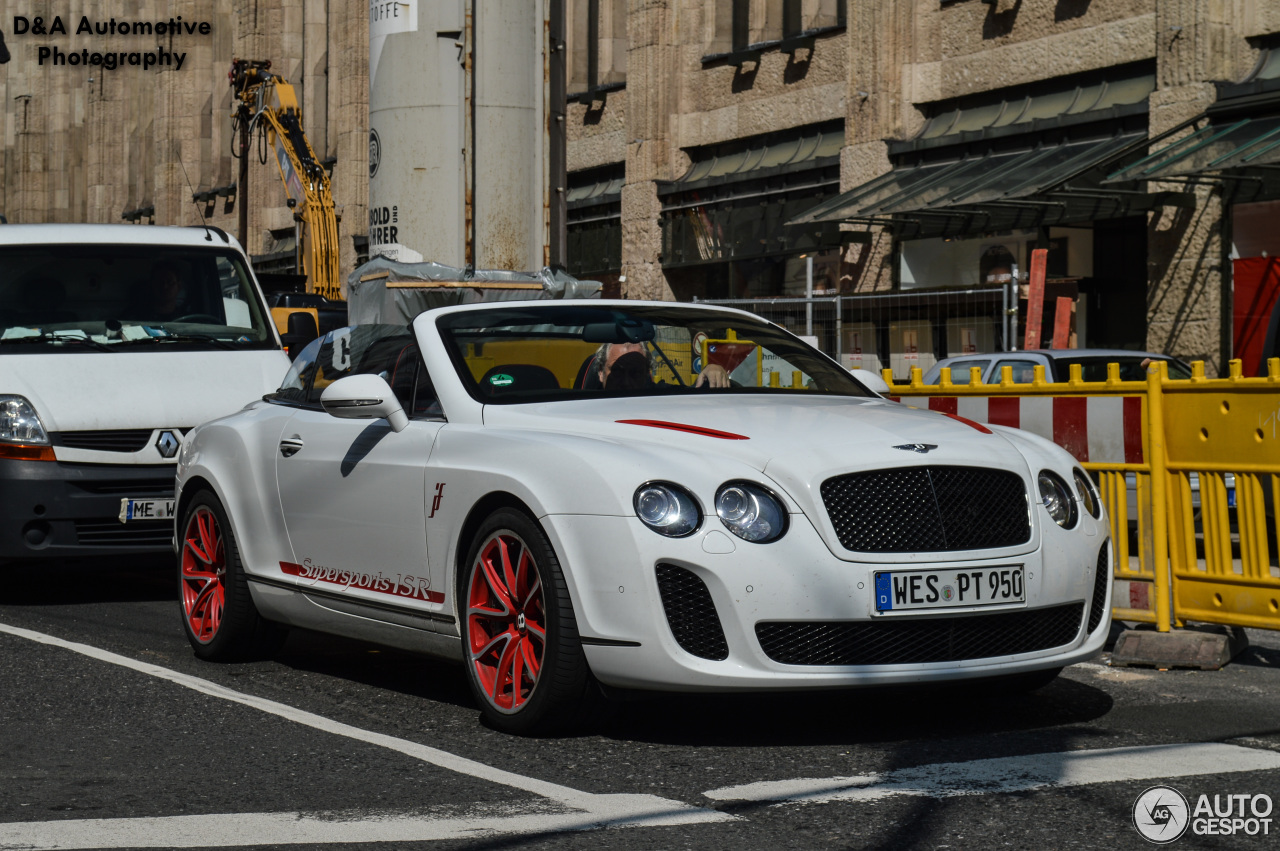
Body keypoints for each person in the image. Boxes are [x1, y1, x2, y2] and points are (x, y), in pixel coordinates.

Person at [594, 341, 730, 390]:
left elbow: (689, 398)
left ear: (648, 373)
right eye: (617, 371)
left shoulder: (661, 398)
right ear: (601, 372)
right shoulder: (583, 404)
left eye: (635, 372)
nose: (626, 382)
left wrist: (712, 370)